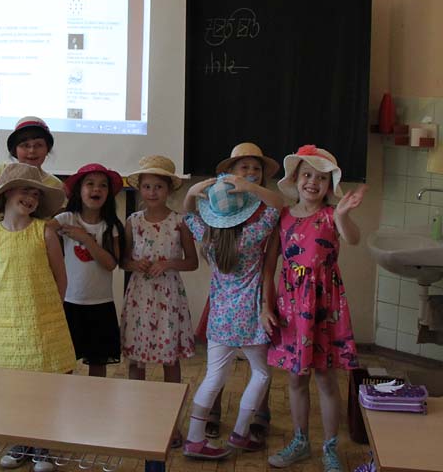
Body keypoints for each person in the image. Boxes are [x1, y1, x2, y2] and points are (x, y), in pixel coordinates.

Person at [262, 145, 366, 472]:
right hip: (291, 308)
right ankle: (300, 441)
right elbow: (269, 267)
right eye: (307, 175)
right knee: (296, 379)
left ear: (329, 185)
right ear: (295, 179)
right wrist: (266, 306)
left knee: (325, 378)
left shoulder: (331, 216)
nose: (312, 182)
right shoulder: (283, 217)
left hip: (325, 307)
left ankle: (330, 447)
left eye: (321, 178)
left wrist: (343, 215)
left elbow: (353, 239)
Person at [181, 168, 283, 459]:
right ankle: (240, 432)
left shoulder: (207, 238)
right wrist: (250, 188)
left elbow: (188, 214)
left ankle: (194, 438)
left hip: (219, 319)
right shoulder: (253, 235)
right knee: (260, 374)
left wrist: (191, 193)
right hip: (250, 317)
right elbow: (278, 205)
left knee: (214, 376)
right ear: (243, 213)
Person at [0, 163, 74, 472]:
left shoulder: (45, 232)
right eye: (25, 191)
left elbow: (61, 279)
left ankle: (43, 445)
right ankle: (20, 441)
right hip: (9, 327)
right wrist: (8, 316)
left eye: (36, 194)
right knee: (14, 389)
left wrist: (49, 313)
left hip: (43, 322)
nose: (31, 198)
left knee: (45, 387)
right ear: (6, 194)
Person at [120, 155, 197, 448]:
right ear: (140, 188)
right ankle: (136, 417)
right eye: (147, 186)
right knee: (136, 360)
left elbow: (192, 262)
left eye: (158, 187)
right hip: (140, 297)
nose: (152, 192)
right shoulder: (133, 221)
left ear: (169, 189)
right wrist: (134, 264)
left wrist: (169, 263)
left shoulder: (180, 222)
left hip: (168, 297)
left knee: (170, 360)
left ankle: (171, 423)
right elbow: (123, 260)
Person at [53, 163, 125, 377]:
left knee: (98, 362)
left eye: (103, 185)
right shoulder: (67, 219)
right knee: (65, 361)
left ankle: (97, 397)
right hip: (69, 302)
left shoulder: (110, 226)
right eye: (90, 184)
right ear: (79, 190)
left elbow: (111, 263)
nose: (97, 189)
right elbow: (43, 232)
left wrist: (85, 239)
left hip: (101, 304)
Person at [0, 116, 63, 202]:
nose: (32, 150)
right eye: (25, 145)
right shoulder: (4, 169)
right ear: (15, 150)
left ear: (47, 149)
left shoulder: (55, 185)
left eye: (38, 145)